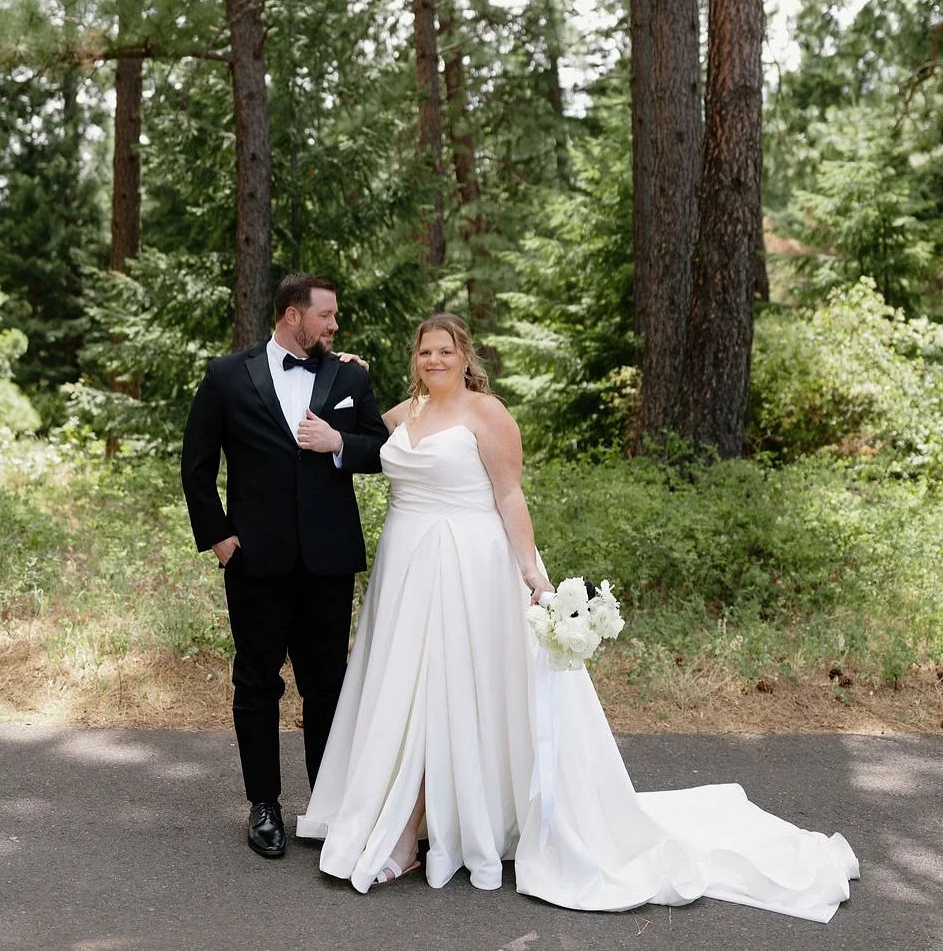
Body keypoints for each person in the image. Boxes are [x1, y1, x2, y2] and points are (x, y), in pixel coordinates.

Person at [297, 313, 859, 922]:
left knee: (457, 689)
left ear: (465, 356)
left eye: (445, 351)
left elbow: (509, 495)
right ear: (415, 359)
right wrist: (343, 369)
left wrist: (532, 575)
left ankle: (421, 830)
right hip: (406, 572)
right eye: (425, 352)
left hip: (473, 572)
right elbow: (356, 442)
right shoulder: (401, 418)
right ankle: (419, 818)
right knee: (405, 691)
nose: (434, 361)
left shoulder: (488, 414)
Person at [181, 273, 388, 860]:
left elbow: (382, 447)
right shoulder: (227, 376)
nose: (334, 325)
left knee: (327, 685)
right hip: (255, 560)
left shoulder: (350, 375)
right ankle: (264, 804)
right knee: (257, 682)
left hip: (327, 560)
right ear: (294, 315)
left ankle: (326, 807)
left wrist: (339, 444)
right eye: (327, 315)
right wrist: (218, 536)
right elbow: (196, 464)